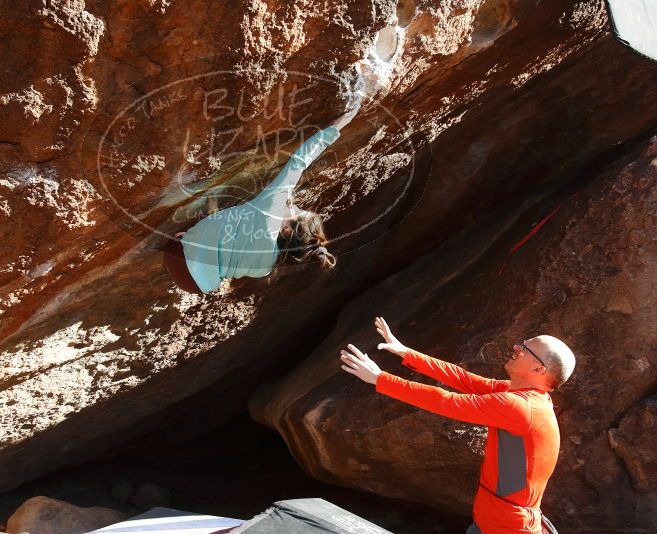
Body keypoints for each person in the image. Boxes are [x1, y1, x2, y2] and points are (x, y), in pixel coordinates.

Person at [340, 317, 576, 533]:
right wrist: (405, 353)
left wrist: (379, 378)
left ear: (538, 370)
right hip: (494, 519)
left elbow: (446, 401)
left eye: (525, 348)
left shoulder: (521, 407)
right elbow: (462, 378)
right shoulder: (516, 393)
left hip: (506, 526)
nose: (517, 347)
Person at [162, 103, 361, 294]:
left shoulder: (271, 212)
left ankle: (185, 241)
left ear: (287, 229)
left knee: (195, 232)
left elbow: (299, 162)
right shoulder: (265, 269)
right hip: (197, 286)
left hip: (178, 256)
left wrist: (336, 127)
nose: (296, 206)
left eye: (298, 212)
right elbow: (232, 246)